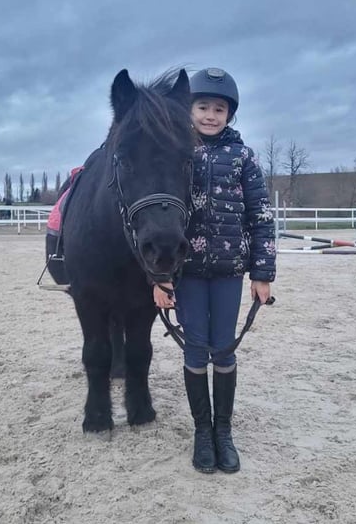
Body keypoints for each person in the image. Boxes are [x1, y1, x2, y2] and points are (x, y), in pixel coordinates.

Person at [153, 67, 276, 474]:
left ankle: (224, 432)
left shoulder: (242, 157)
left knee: (223, 349)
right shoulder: (175, 152)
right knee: (195, 349)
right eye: (202, 106)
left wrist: (262, 272)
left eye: (218, 109)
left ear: (230, 114)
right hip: (186, 272)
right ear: (189, 110)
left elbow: (260, 216)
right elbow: (161, 220)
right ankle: (201, 433)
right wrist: (159, 276)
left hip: (227, 271)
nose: (209, 115)